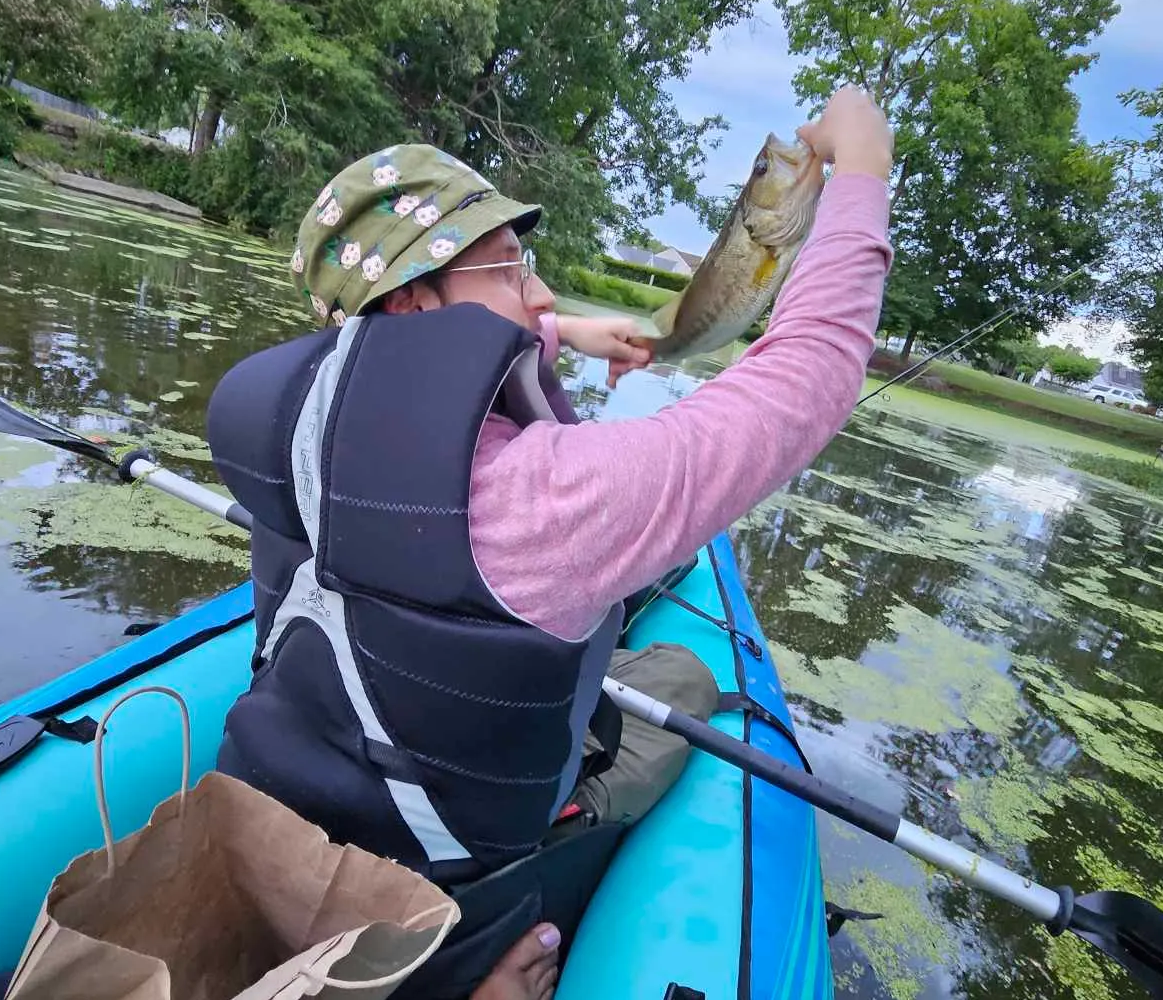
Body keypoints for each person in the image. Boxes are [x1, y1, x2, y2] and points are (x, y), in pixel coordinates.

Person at [206, 87, 894, 996]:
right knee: (681, 686)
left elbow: (437, 364)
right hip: (440, 925)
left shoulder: (293, 423)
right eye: (512, 265)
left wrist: (563, 332)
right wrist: (864, 174)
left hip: (276, 827)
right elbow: (809, 375)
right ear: (417, 304)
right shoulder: (541, 499)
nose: (543, 291)